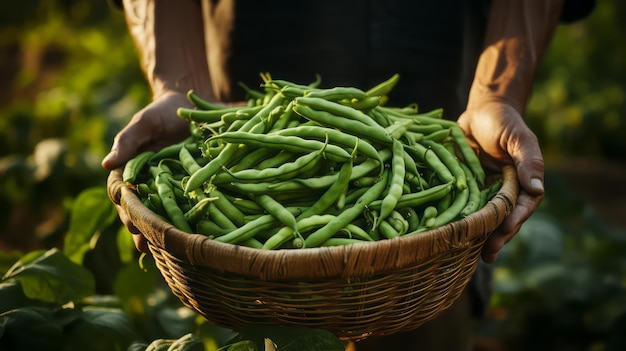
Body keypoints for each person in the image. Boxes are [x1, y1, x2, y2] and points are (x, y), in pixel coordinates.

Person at [102, 1, 595, 350]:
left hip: (443, 87)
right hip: (251, 53)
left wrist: (498, 95)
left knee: (422, 322)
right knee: (263, 329)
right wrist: (179, 84)